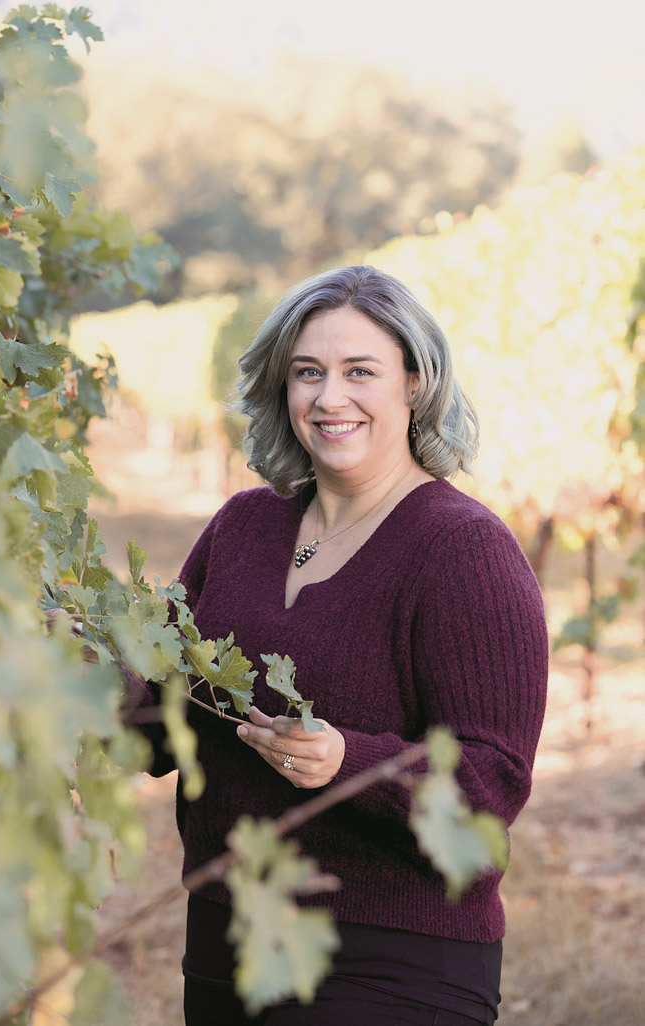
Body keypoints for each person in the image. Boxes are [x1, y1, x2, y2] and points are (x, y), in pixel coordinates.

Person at [126, 265, 548, 1025]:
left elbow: (491, 786)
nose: (330, 398)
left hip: (391, 963)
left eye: (361, 372)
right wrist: (75, 677)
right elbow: (163, 715)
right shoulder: (241, 528)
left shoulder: (464, 550)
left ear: (415, 383)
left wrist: (346, 761)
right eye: (307, 373)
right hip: (226, 938)